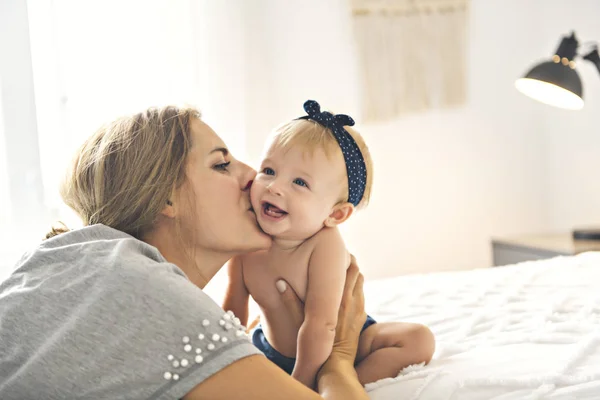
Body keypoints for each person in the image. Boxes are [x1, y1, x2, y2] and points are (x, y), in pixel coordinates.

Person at [0, 105, 371, 400]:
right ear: (165, 197)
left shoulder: (60, 261)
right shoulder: (150, 293)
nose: (253, 177)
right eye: (221, 164)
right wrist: (338, 359)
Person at [224, 100, 435, 389]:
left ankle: (348, 380)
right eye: (269, 170)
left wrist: (299, 386)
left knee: (419, 339)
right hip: (270, 349)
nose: (275, 187)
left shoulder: (323, 246)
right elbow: (233, 310)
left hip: (341, 344)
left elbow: (322, 325)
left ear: (335, 214)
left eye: (299, 182)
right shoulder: (246, 238)